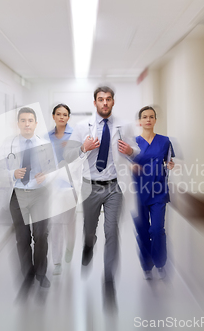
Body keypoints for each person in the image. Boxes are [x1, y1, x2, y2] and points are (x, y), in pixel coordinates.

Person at [64, 86, 140, 305]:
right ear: (94, 102)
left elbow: (137, 154)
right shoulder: (81, 127)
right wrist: (83, 148)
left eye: (108, 99)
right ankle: (88, 245)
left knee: (112, 232)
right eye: (100, 99)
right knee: (89, 230)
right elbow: (68, 155)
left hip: (115, 187)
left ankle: (108, 280)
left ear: (113, 102)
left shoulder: (124, 126)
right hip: (90, 186)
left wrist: (131, 153)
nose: (104, 103)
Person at [0, 107, 56, 293]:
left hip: (40, 195)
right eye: (23, 120)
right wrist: (11, 173)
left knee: (41, 236)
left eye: (30, 120)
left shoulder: (45, 143)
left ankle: (41, 272)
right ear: (18, 124)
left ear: (36, 124)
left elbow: (55, 169)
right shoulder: (9, 145)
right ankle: (27, 275)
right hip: (18, 194)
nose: (27, 124)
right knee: (21, 239)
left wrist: (46, 176)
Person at [132, 106, 175, 280]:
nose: (148, 119)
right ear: (139, 121)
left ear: (155, 120)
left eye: (151, 117)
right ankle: (147, 265)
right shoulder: (133, 142)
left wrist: (170, 165)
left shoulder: (165, 141)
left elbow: (169, 161)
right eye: (144, 117)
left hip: (158, 191)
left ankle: (160, 263)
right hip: (138, 193)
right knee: (142, 231)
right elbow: (125, 163)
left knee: (157, 229)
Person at [48, 104, 76, 276]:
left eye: (65, 114)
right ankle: (56, 261)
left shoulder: (75, 135)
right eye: (58, 114)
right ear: (53, 116)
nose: (61, 117)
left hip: (71, 185)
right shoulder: (46, 137)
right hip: (53, 187)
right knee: (55, 223)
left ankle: (70, 247)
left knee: (69, 222)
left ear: (68, 117)